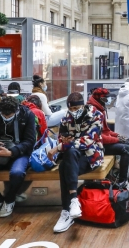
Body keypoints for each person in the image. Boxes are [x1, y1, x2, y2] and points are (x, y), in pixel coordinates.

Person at [50, 92, 104, 233]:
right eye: (72, 109)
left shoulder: (96, 115)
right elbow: (62, 139)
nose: (74, 112)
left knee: (65, 164)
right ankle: (72, 204)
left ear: (83, 105)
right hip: (73, 157)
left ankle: (67, 209)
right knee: (69, 157)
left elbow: (87, 142)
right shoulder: (66, 119)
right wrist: (65, 144)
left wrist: (60, 147)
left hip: (92, 156)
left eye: (77, 108)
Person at [88, 88, 129, 194]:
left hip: (100, 143)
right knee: (125, 149)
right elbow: (98, 136)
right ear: (102, 98)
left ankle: (122, 177)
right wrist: (116, 139)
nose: (110, 100)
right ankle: (122, 183)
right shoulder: (93, 111)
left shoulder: (100, 108)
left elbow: (105, 130)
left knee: (128, 143)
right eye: (107, 98)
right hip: (95, 146)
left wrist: (118, 136)